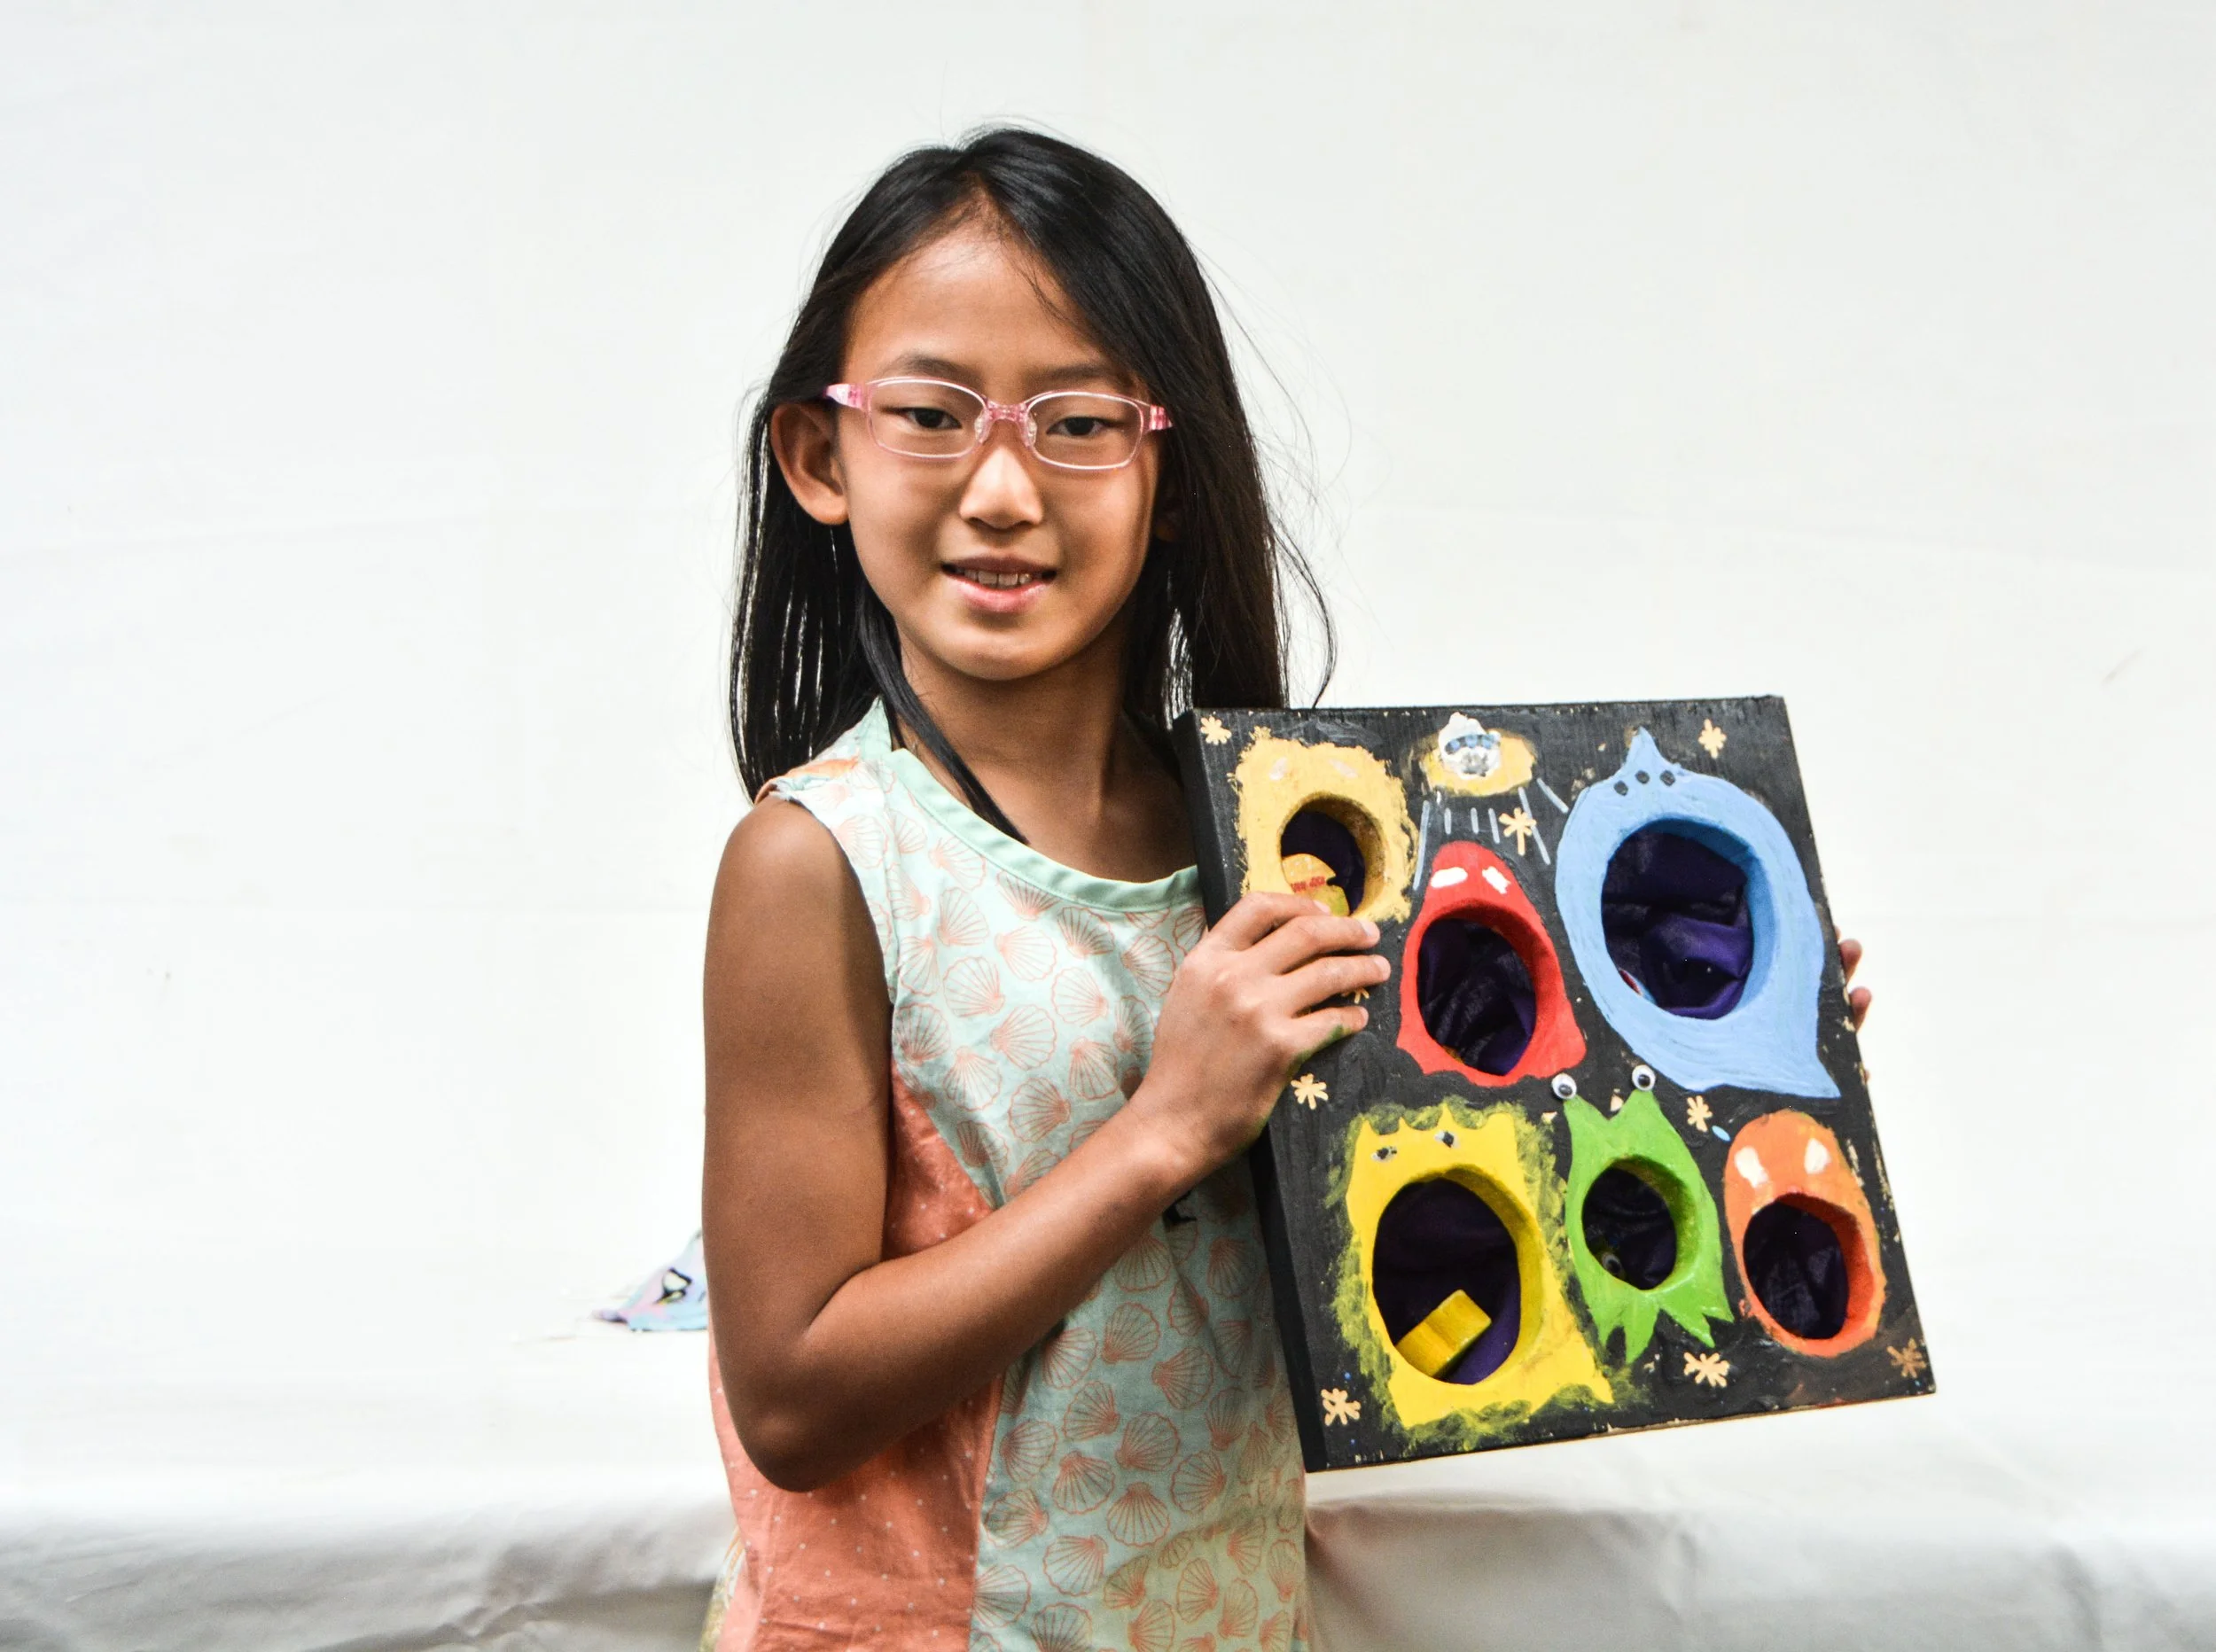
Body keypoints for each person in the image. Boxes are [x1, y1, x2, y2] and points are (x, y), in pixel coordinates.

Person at [698, 128, 1874, 1652]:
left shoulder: (1273, 842)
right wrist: (1163, 1131)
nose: (1000, 486)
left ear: (1172, 475)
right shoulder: (820, 862)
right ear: (818, 458)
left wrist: (1701, 1021)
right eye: (928, 414)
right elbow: (794, 1397)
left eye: (1080, 423)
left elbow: (1421, 1214)